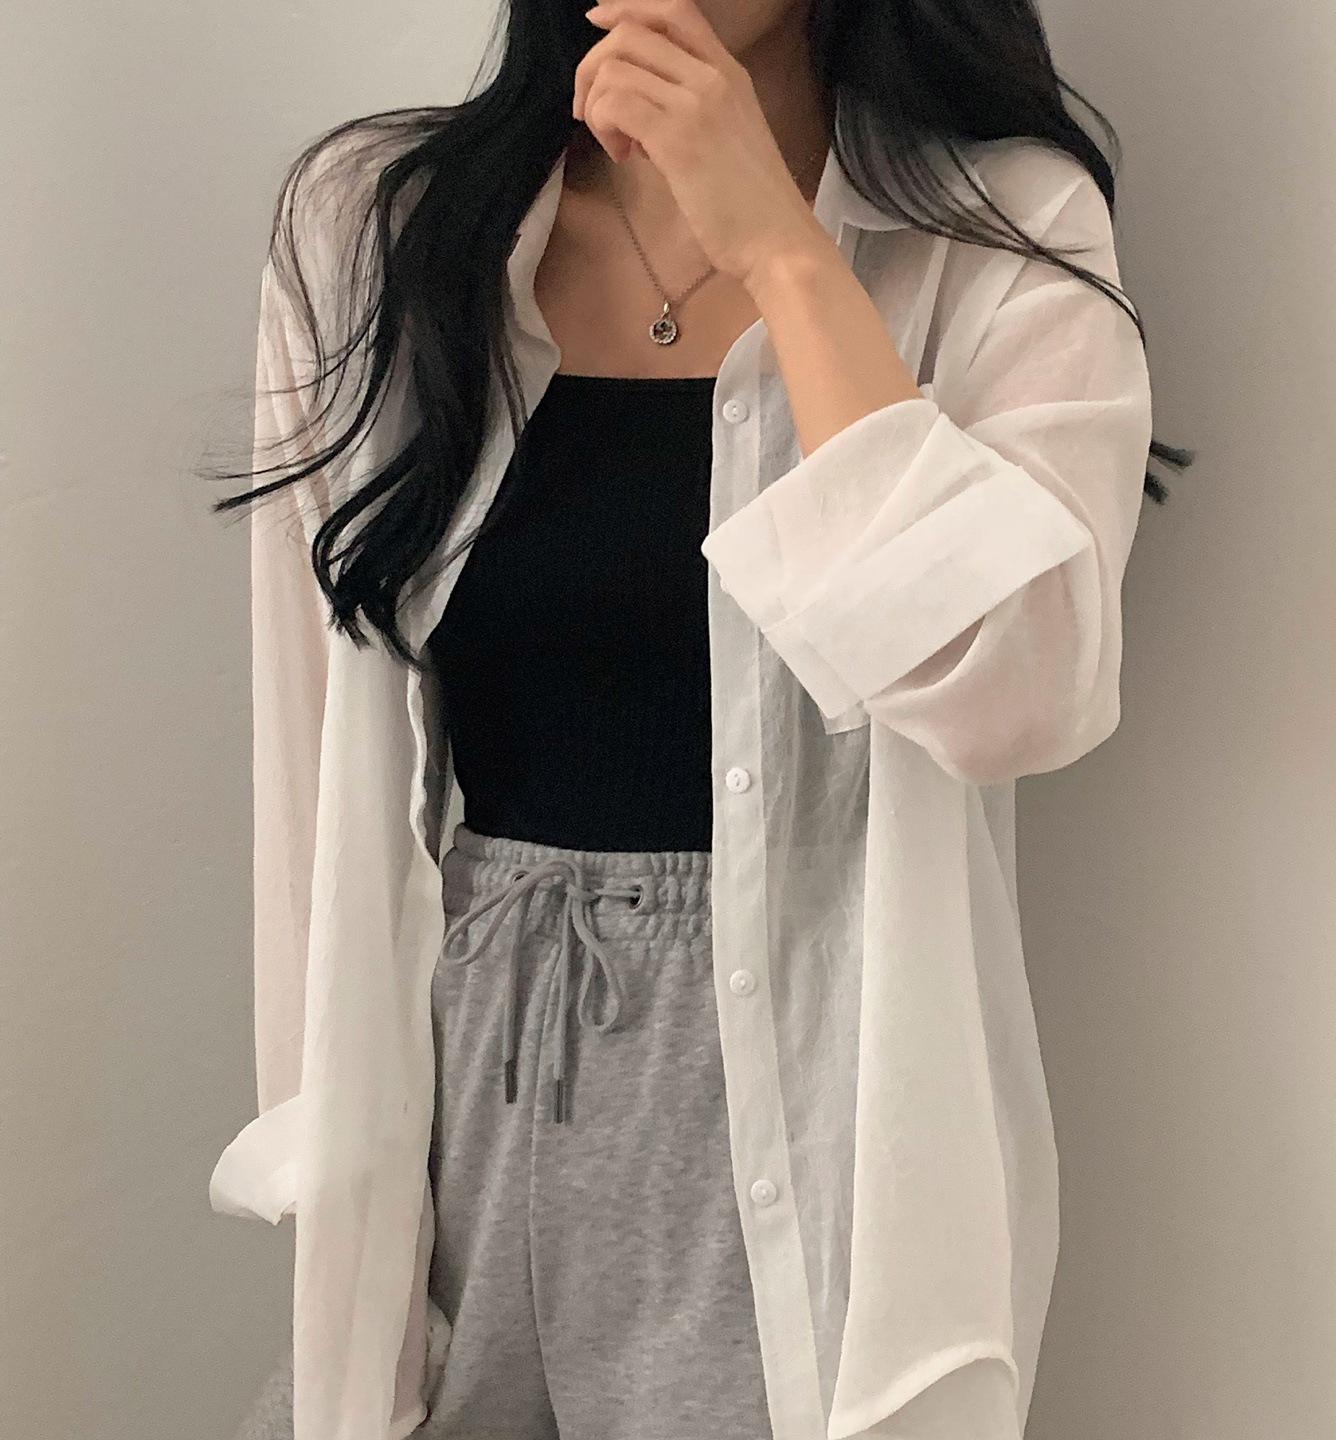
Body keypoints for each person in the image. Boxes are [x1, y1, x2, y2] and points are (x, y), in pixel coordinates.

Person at [207, 1, 1189, 1437]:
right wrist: (320, 1121)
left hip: (806, 1083)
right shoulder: (377, 225)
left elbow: (1019, 690)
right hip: (455, 1069)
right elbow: (310, 723)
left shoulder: (997, 232)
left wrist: (783, 252)